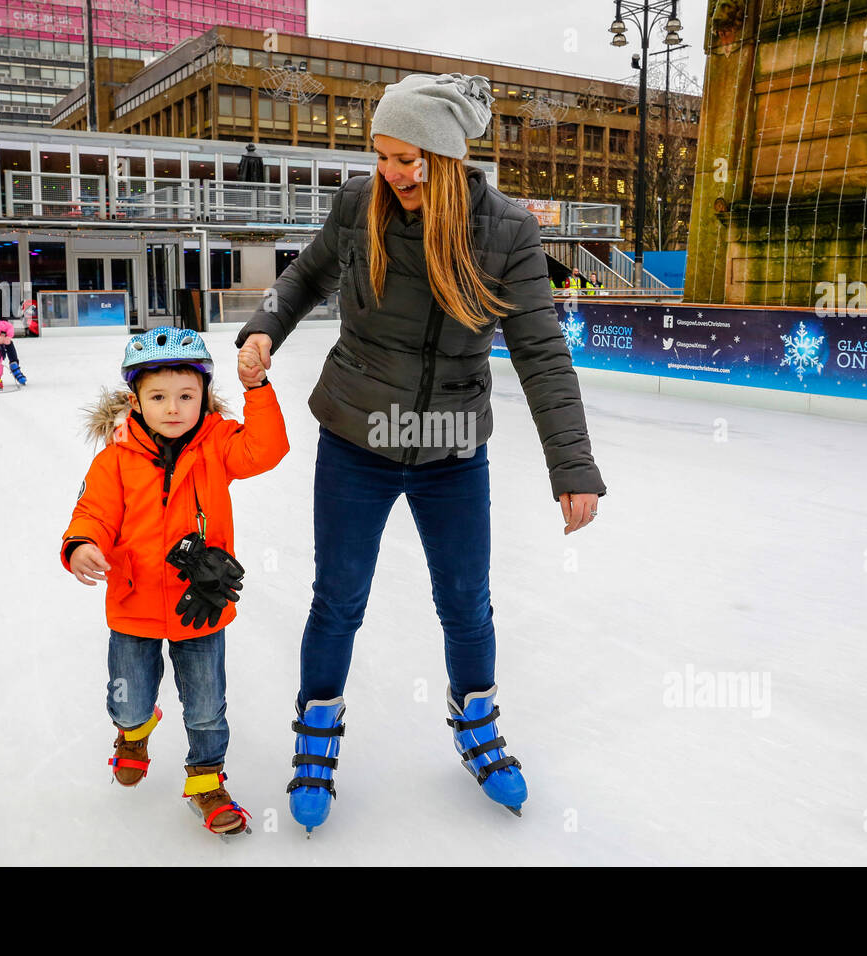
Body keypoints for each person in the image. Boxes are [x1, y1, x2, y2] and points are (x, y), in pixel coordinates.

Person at [234, 71, 606, 833]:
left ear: (446, 154)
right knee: (338, 599)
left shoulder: (506, 230)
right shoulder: (356, 205)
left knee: (466, 602)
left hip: (449, 445)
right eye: (384, 156)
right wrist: (263, 327)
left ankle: (476, 723)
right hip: (356, 434)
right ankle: (316, 732)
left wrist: (572, 465)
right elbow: (303, 275)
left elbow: (541, 352)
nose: (395, 173)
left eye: (411, 159)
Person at [60, 326, 289, 837]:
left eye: (187, 395)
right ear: (134, 399)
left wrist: (257, 390)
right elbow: (92, 511)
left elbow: (268, 450)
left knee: (207, 709)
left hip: (200, 605)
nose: (173, 407)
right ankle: (135, 732)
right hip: (133, 603)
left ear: (205, 395)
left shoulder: (219, 444)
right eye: (158, 396)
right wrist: (82, 545)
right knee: (129, 699)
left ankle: (206, 781)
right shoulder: (115, 460)